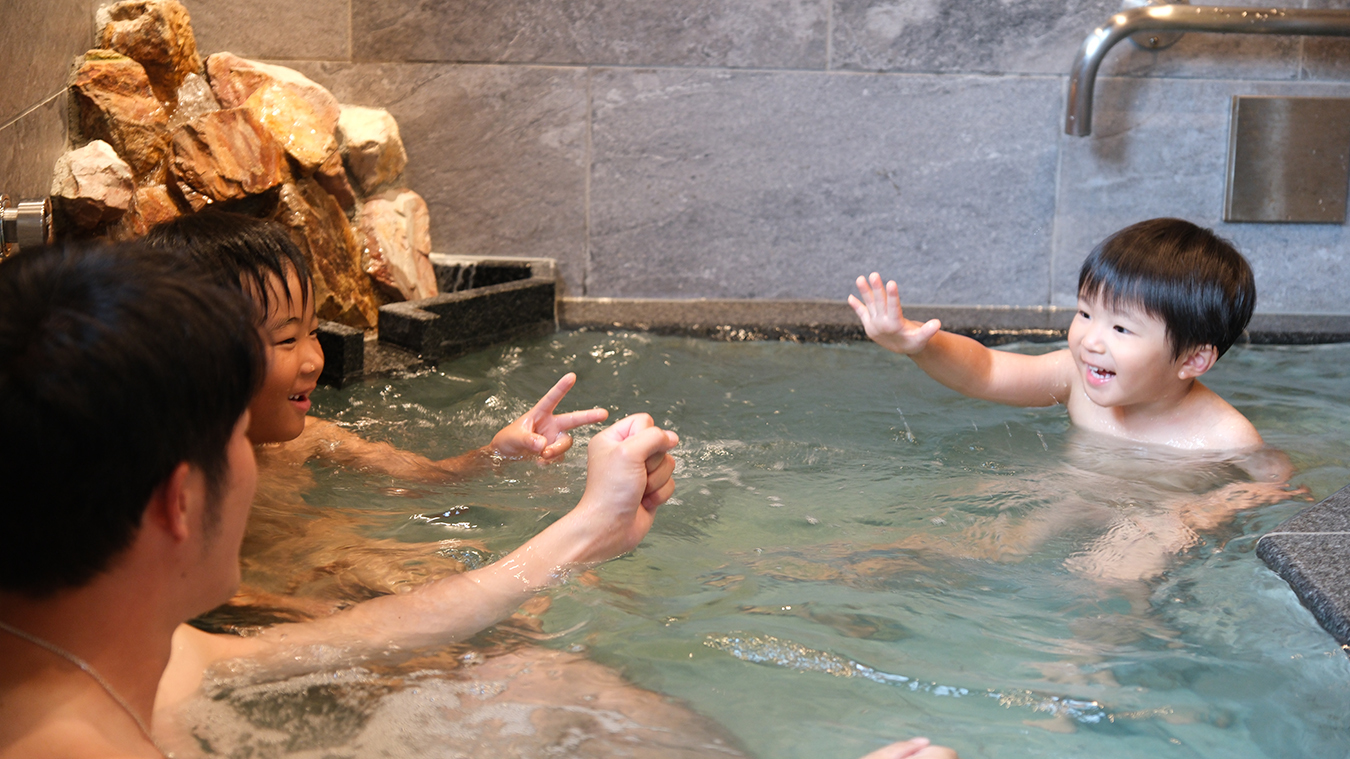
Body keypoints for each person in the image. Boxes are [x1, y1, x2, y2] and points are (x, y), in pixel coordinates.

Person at [0, 243, 959, 759]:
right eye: (229, 444)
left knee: (542, 683)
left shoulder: (117, 652)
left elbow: (353, 636)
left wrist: (582, 532)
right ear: (179, 500)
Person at [848, 218, 1300, 585]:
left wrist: (1198, 511)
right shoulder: (1075, 379)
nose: (1090, 340)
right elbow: (985, 370)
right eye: (1085, 313)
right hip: (1075, 495)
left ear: (1193, 359)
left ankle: (1084, 655)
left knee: (1111, 573)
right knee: (991, 537)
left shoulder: (1224, 435)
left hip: (1153, 515)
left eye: (1120, 328)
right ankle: (867, 572)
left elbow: (1277, 487)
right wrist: (919, 344)